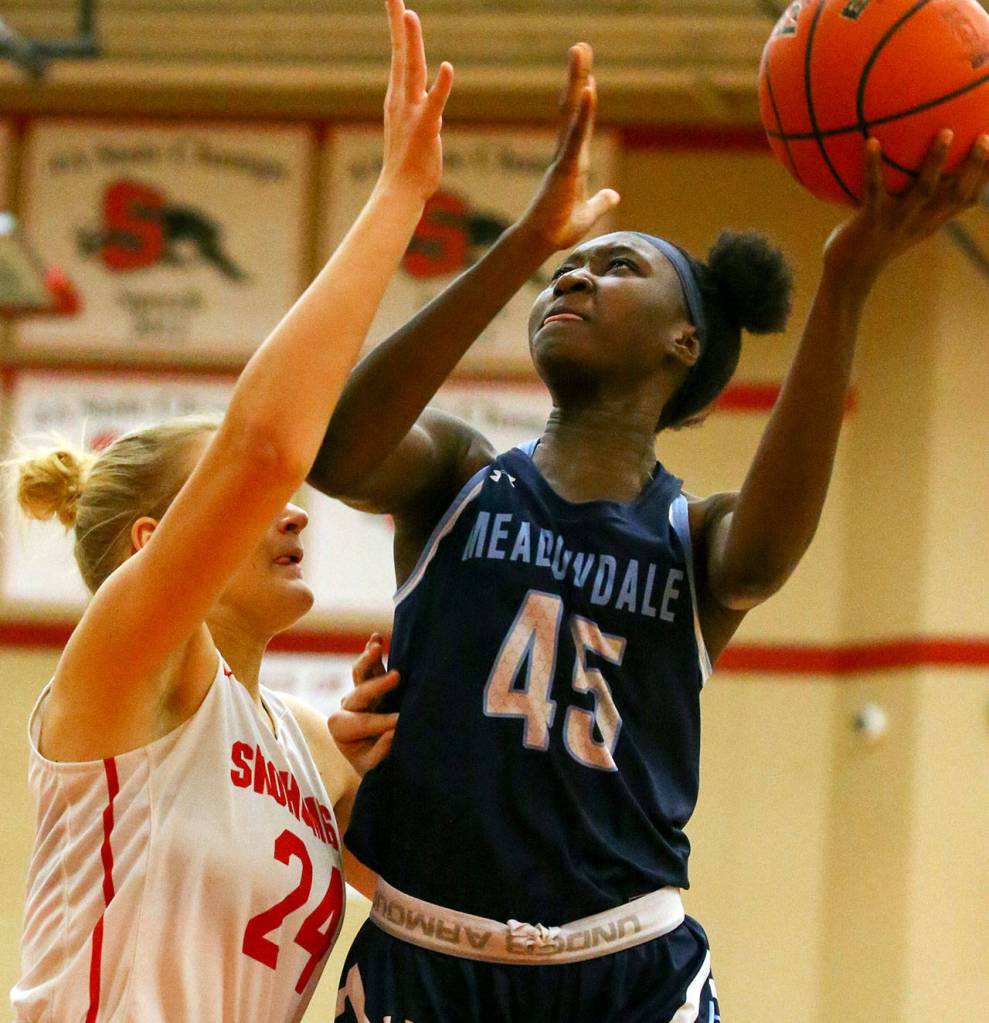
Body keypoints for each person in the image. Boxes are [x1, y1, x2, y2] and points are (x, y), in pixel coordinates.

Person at [311, 41, 989, 1022]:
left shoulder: (695, 538)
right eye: (563, 272)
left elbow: (765, 554)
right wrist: (518, 247)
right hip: (427, 949)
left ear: (684, 341)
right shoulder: (459, 475)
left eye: (611, 267)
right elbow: (335, 452)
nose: (570, 281)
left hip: (625, 967)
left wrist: (842, 282)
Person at [9, 4, 449, 1020]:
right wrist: (398, 197)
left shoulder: (296, 739)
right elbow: (264, 449)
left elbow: (439, 885)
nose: (291, 511)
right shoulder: (125, 663)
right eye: (244, 507)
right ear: (153, 546)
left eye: (287, 504)